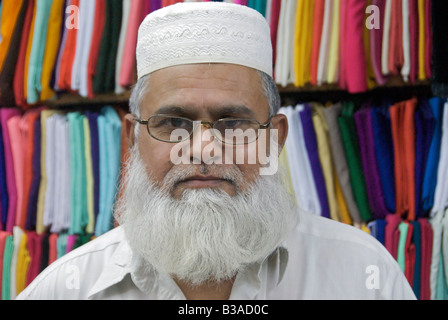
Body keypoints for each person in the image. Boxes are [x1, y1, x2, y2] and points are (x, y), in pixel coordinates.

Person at [17, 2, 416, 300]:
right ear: (132, 139)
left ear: (274, 140)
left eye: (234, 124)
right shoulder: (69, 287)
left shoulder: (363, 273)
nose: (204, 149)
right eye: (172, 123)